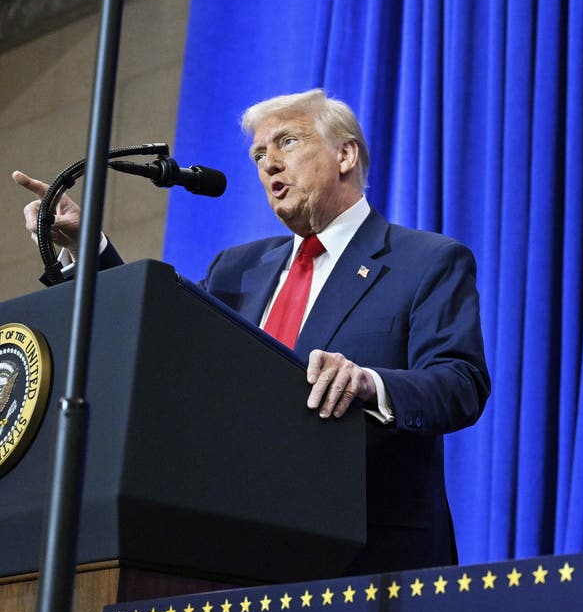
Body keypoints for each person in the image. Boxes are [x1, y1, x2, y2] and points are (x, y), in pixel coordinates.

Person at [12, 89, 490, 573]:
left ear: (345, 154)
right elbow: (162, 343)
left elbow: (460, 383)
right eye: (259, 155)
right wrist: (87, 247)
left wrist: (371, 382)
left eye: (287, 142)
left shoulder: (424, 261)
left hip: (369, 557)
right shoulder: (236, 270)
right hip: (235, 551)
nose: (269, 165)